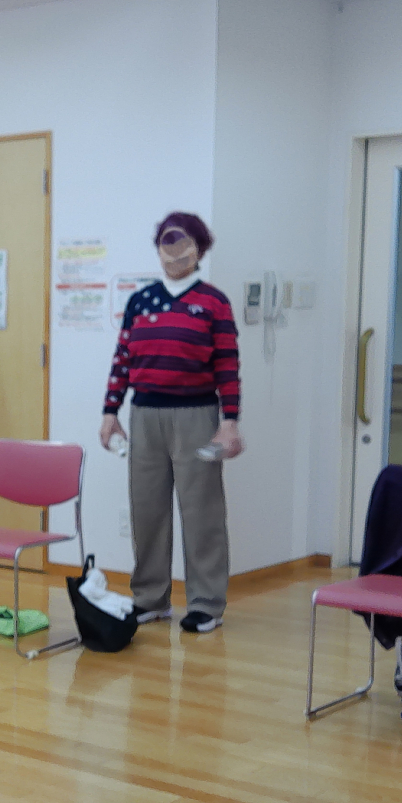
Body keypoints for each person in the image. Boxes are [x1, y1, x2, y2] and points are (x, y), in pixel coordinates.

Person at [99, 213, 242, 633]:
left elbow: (228, 365)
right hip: (144, 415)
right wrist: (110, 412)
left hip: (196, 416)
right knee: (146, 510)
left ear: (199, 249)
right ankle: (150, 598)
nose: (174, 252)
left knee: (202, 512)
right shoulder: (140, 302)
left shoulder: (214, 302)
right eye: (167, 243)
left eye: (183, 244)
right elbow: (122, 360)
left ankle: (207, 603)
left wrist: (230, 422)